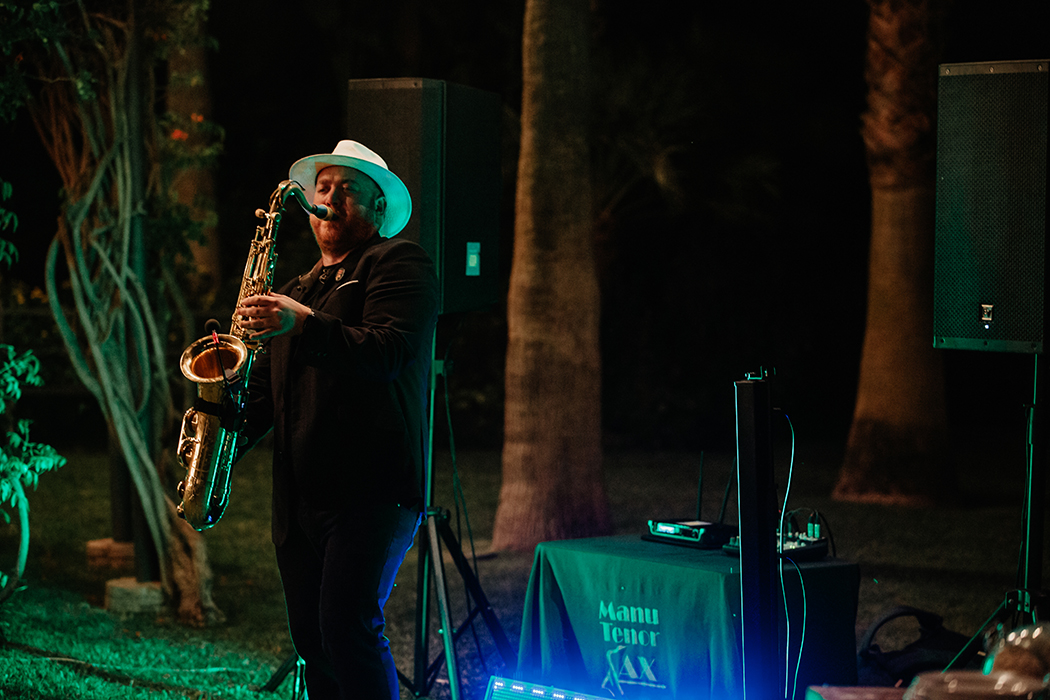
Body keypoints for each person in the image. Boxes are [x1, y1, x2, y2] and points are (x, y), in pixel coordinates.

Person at [234, 140, 439, 699]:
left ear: (378, 209)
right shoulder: (296, 290)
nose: (330, 198)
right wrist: (219, 415)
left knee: (347, 631)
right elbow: (265, 397)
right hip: (299, 499)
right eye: (323, 187)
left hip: (370, 492)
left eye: (348, 190)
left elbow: (387, 351)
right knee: (312, 642)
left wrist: (303, 324)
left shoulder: (397, 262)